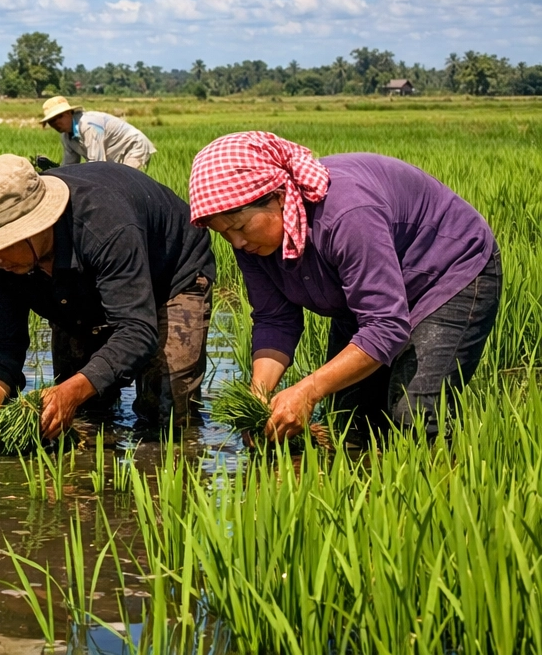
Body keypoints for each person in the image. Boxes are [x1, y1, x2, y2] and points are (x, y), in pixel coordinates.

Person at [189, 131, 500, 445]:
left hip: (448, 273)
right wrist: (258, 397)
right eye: (224, 233)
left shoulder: (347, 215)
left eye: (240, 227)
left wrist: (306, 392)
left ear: (280, 196)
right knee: (349, 421)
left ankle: (442, 483)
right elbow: (275, 319)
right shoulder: (253, 246)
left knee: (415, 414)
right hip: (368, 296)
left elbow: (385, 325)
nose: (238, 242)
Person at [0, 154, 214, 440]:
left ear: (34, 227)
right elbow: (0, 341)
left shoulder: (106, 225)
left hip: (170, 275)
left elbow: (137, 330)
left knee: (165, 413)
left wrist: (71, 392)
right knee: (84, 411)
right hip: (74, 288)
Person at [41, 96, 155, 170]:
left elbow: (97, 163)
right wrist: (53, 171)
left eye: (59, 117)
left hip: (133, 146)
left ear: (69, 113)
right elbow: (70, 166)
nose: (56, 123)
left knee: (126, 182)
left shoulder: (88, 125)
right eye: (51, 121)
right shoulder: (66, 137)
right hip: (114, 155)